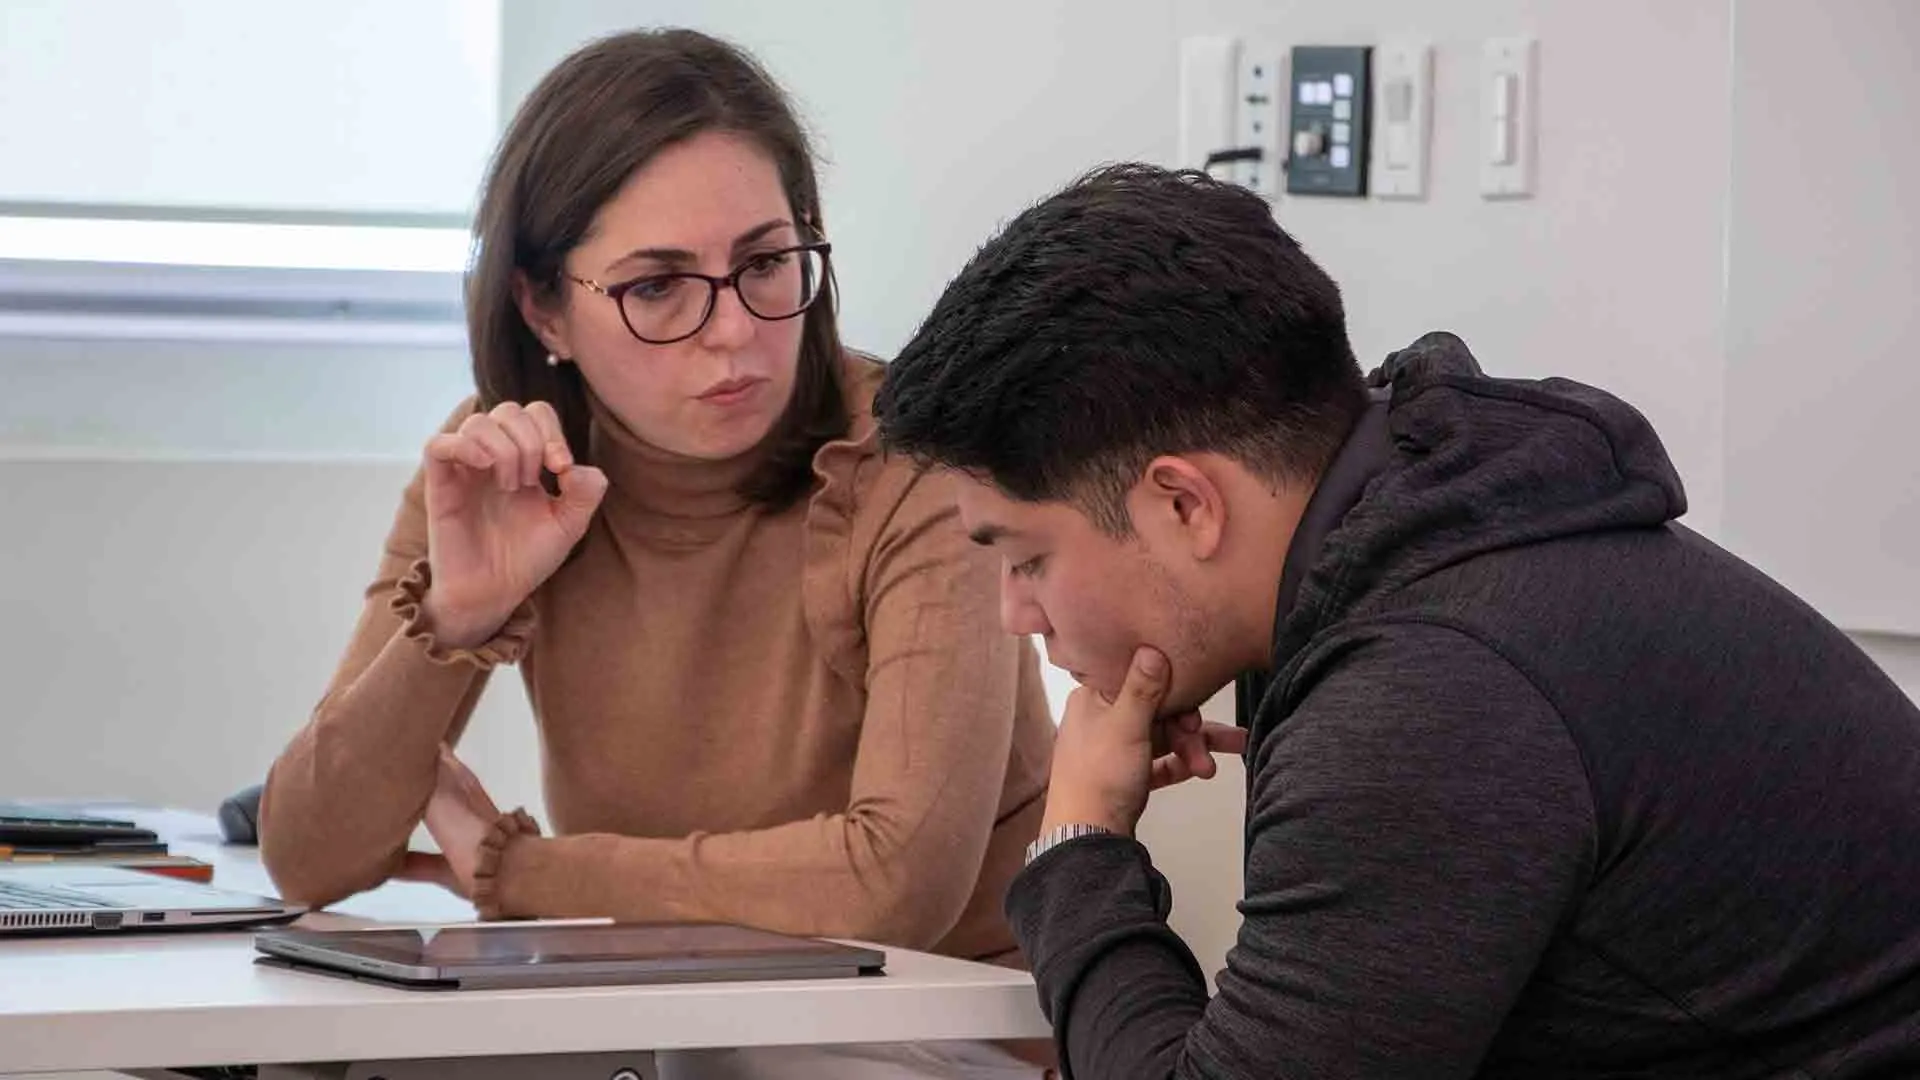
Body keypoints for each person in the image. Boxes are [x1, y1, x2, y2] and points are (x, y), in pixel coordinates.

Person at [872, 162, 1920, 1078]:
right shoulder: (1435, 540)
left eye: (1028, 557)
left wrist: (1077, 845)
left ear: (1186, 504)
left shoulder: (1432, 690)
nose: (1016, 613)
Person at [259, 26, 1055, 1007]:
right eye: (657, 287)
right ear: (544, 310)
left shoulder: (915, 464)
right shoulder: (500, 466)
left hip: (924, 1017)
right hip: (640, 1007)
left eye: (766, 262)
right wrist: (455, 624)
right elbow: (309, 859)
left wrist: (519, 875)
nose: (733, 333)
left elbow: (895, 884)